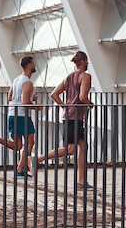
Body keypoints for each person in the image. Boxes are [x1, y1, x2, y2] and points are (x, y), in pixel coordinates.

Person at [33, 51, 94, 190]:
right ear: (84, 61)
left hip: (70, 116)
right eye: (87, 60)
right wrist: (90, 104)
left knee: (83, 147)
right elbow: (83, 97)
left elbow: (54, 94)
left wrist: (64, 106)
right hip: (75, 117)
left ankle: (81, 182)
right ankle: (37, 159)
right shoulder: (85, 76)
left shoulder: (69, 76)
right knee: (70, 150)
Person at [0, 56, 41, 177]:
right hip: (22, 116)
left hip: (12, 114)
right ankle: (21, 169)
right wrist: (38, 107)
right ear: (29, 65)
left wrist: (32, 98)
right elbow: (25, 102)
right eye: (33, 63)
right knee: (30, 142)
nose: (35, 66)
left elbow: (11, 97)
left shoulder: (17, 80)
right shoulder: (28, 82)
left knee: (18, 146)